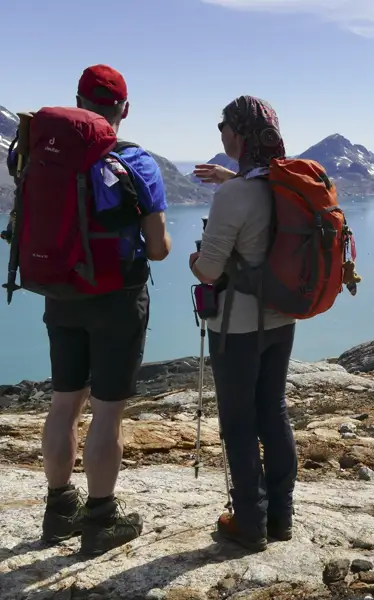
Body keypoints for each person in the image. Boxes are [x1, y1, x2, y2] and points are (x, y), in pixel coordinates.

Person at [39, 64, 171, 555]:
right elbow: (157, 248)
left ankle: (58, 511)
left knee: (63, 402)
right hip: (117, 299)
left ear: (76, 100)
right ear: (125, 110)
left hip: (61, 292)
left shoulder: (42, 155)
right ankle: (99, 519)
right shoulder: (136, 161)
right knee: (107, 414)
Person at [189, 96, 297, 551]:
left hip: (237, 326)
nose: (220, 134)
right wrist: (230, 179)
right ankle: (280, 517)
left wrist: (195, 258)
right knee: (273, 411)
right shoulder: (285, 184)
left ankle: (247, 523)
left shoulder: (234, 194)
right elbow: (259, 207)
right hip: (281, 318)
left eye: (224, 126)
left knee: (237, 423)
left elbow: (210, 271)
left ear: (241, 133)